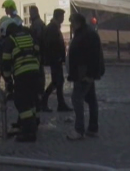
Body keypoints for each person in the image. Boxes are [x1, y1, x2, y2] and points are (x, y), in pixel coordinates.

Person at [1, 18, 42, 142]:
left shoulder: (10, 40)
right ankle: (32, 123)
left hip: (22, 74)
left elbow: (6, 63)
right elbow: (38, 52)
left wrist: (8, 80)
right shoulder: (29, 36)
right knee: (33, 99)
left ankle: (29, 133)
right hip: (36, 72)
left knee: (22, 102)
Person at [67, 12, 104, 140]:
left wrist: (90, 74)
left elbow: (94, 56)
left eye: (72, 22)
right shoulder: (85, 32)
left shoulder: (87, 34)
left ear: (77, 22)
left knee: (77, 99)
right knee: (91, 99)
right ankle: (92, 128)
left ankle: (79, 129)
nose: (71, 24)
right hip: (82, 73)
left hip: (83, 74)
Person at [40, 8, 71, 112]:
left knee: (58, 81)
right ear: (58, 17)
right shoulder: (52, 28)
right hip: (55, 59)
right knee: (56, 81)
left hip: (56, 58)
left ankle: (60, 103)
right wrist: (57, 56)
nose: (63, 18)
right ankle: (45, 101)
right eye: (62, 16)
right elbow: (52, 44)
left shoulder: (54, 27)